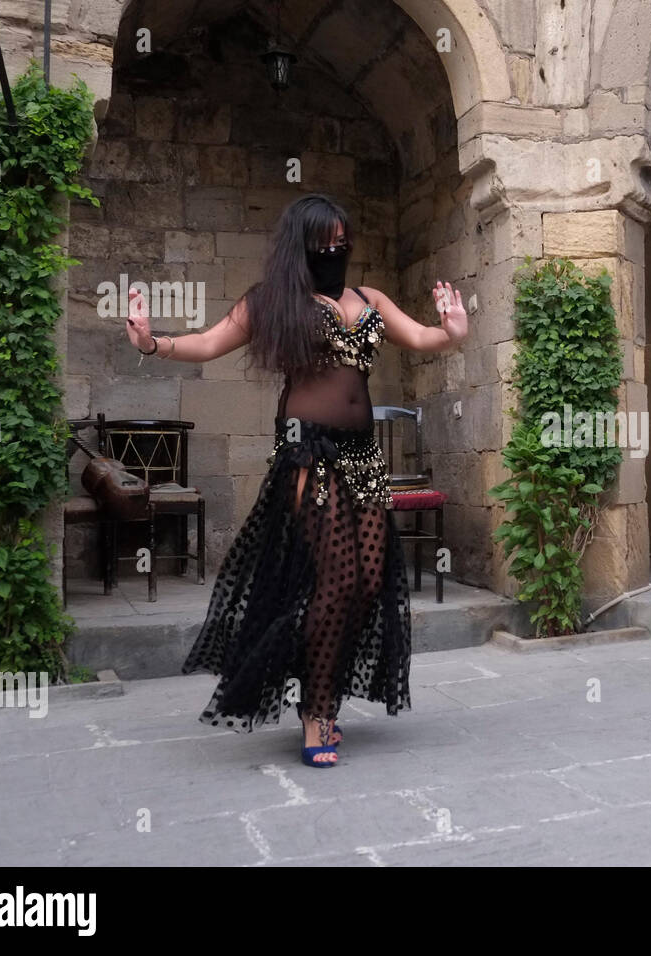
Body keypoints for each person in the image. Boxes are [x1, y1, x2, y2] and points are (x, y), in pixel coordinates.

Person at [123, 193, 468, 767]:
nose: (335, 251)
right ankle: (318, 710)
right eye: (323, 243)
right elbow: (208, 343)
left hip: (364, 457)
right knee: (333, 580)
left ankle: (317, 676)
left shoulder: (370, 298)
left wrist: (452, 328)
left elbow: (425, 337)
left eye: (342, 241)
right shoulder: (273, 302)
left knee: (368, 581)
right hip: (309, 454)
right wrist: (152, 342)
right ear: (301, 246)